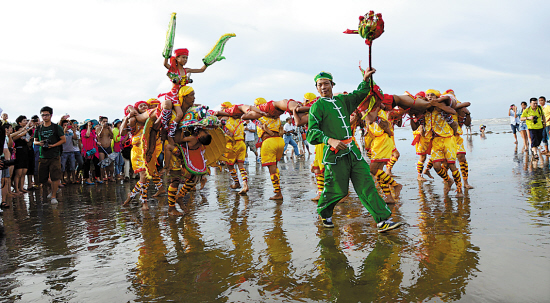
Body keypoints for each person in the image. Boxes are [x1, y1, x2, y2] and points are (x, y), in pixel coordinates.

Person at [306, 69, 402, 232]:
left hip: (353, 151)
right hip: (335, 155)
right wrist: (330, 140)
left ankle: (382, 221)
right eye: (319, 85)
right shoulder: (317, 107)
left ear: (332, 85)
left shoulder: (343, 100)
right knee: (338, 190)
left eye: (326, 83)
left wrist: (365, 80)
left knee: (367, 184)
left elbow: (360, 93)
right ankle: (325, 212)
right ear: (316, 88)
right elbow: (311, 133)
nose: (323, 87)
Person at [33, 106, 66, 204]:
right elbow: (35, 141)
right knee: (42, 178)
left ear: (51, 115)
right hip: (43, 155)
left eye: (47, 115)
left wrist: (53, 145)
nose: (44, 117)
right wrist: (40, 143)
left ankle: (53, 196)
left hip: (55, 155)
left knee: (55, 176)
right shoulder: (38, 129)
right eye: (43, 115)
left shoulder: (56, 127)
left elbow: (63, 140)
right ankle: (54, 188)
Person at [11, 115, 34, 194]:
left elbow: (28, 142)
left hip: (25, 152)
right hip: (19, 153)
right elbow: (17, 136)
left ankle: (21, 187)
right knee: (18, 172)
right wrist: (25, 130)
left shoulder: (26, 135)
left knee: (24, 172)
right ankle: (16, 189)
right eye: (24, 121)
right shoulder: (16, 135)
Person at [81, 119, 101, 185]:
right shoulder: (83, 131)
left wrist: (97, 143)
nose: (91, 125)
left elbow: (94, 139)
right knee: (87, 165)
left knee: (97, 164)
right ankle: (87, 179)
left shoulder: (93, 131)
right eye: (89, 124)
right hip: (87, 151)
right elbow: (87, 135)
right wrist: (88, 128)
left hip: (94, 150)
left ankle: (98, 177)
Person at [96, 116, 114, 181]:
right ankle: (102, 177)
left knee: (111, 163)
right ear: (100, 122)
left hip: (108, 147)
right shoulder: (98, 128)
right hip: (101, 148)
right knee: (102, 162)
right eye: (104, 121)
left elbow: (112, 136)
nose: (105, 123)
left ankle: (111, 176)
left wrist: (109, 129)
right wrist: (102, 128)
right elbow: (99, 135)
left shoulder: (108, 129)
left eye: (106, 121)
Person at [59, 119, 77, 185]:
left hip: (71, 151)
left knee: (72, 166)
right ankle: (62, 179)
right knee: (63, 167)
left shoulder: (70, 133)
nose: (67, 126)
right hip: (64, 152)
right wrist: (64, 130)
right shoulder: (61, 133)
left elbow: (75, 138)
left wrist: (74, 131)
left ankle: (73, 179)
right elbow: (61, 137)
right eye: (65, 125)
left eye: (67, 125)